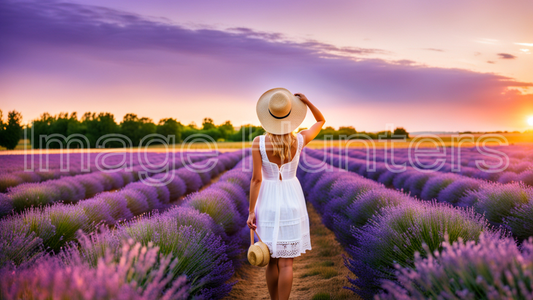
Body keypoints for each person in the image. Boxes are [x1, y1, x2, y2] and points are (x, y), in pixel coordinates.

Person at [247, 87, 325, 300]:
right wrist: (307, 102)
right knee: (286, 262)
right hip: (292, 198)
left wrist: (251, 211)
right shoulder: (298, 140)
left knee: (270, 259)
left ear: (267, 117)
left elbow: (256, 180)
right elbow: (320, 121)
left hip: (268, 200)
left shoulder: (259, 143)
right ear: (291, 117)